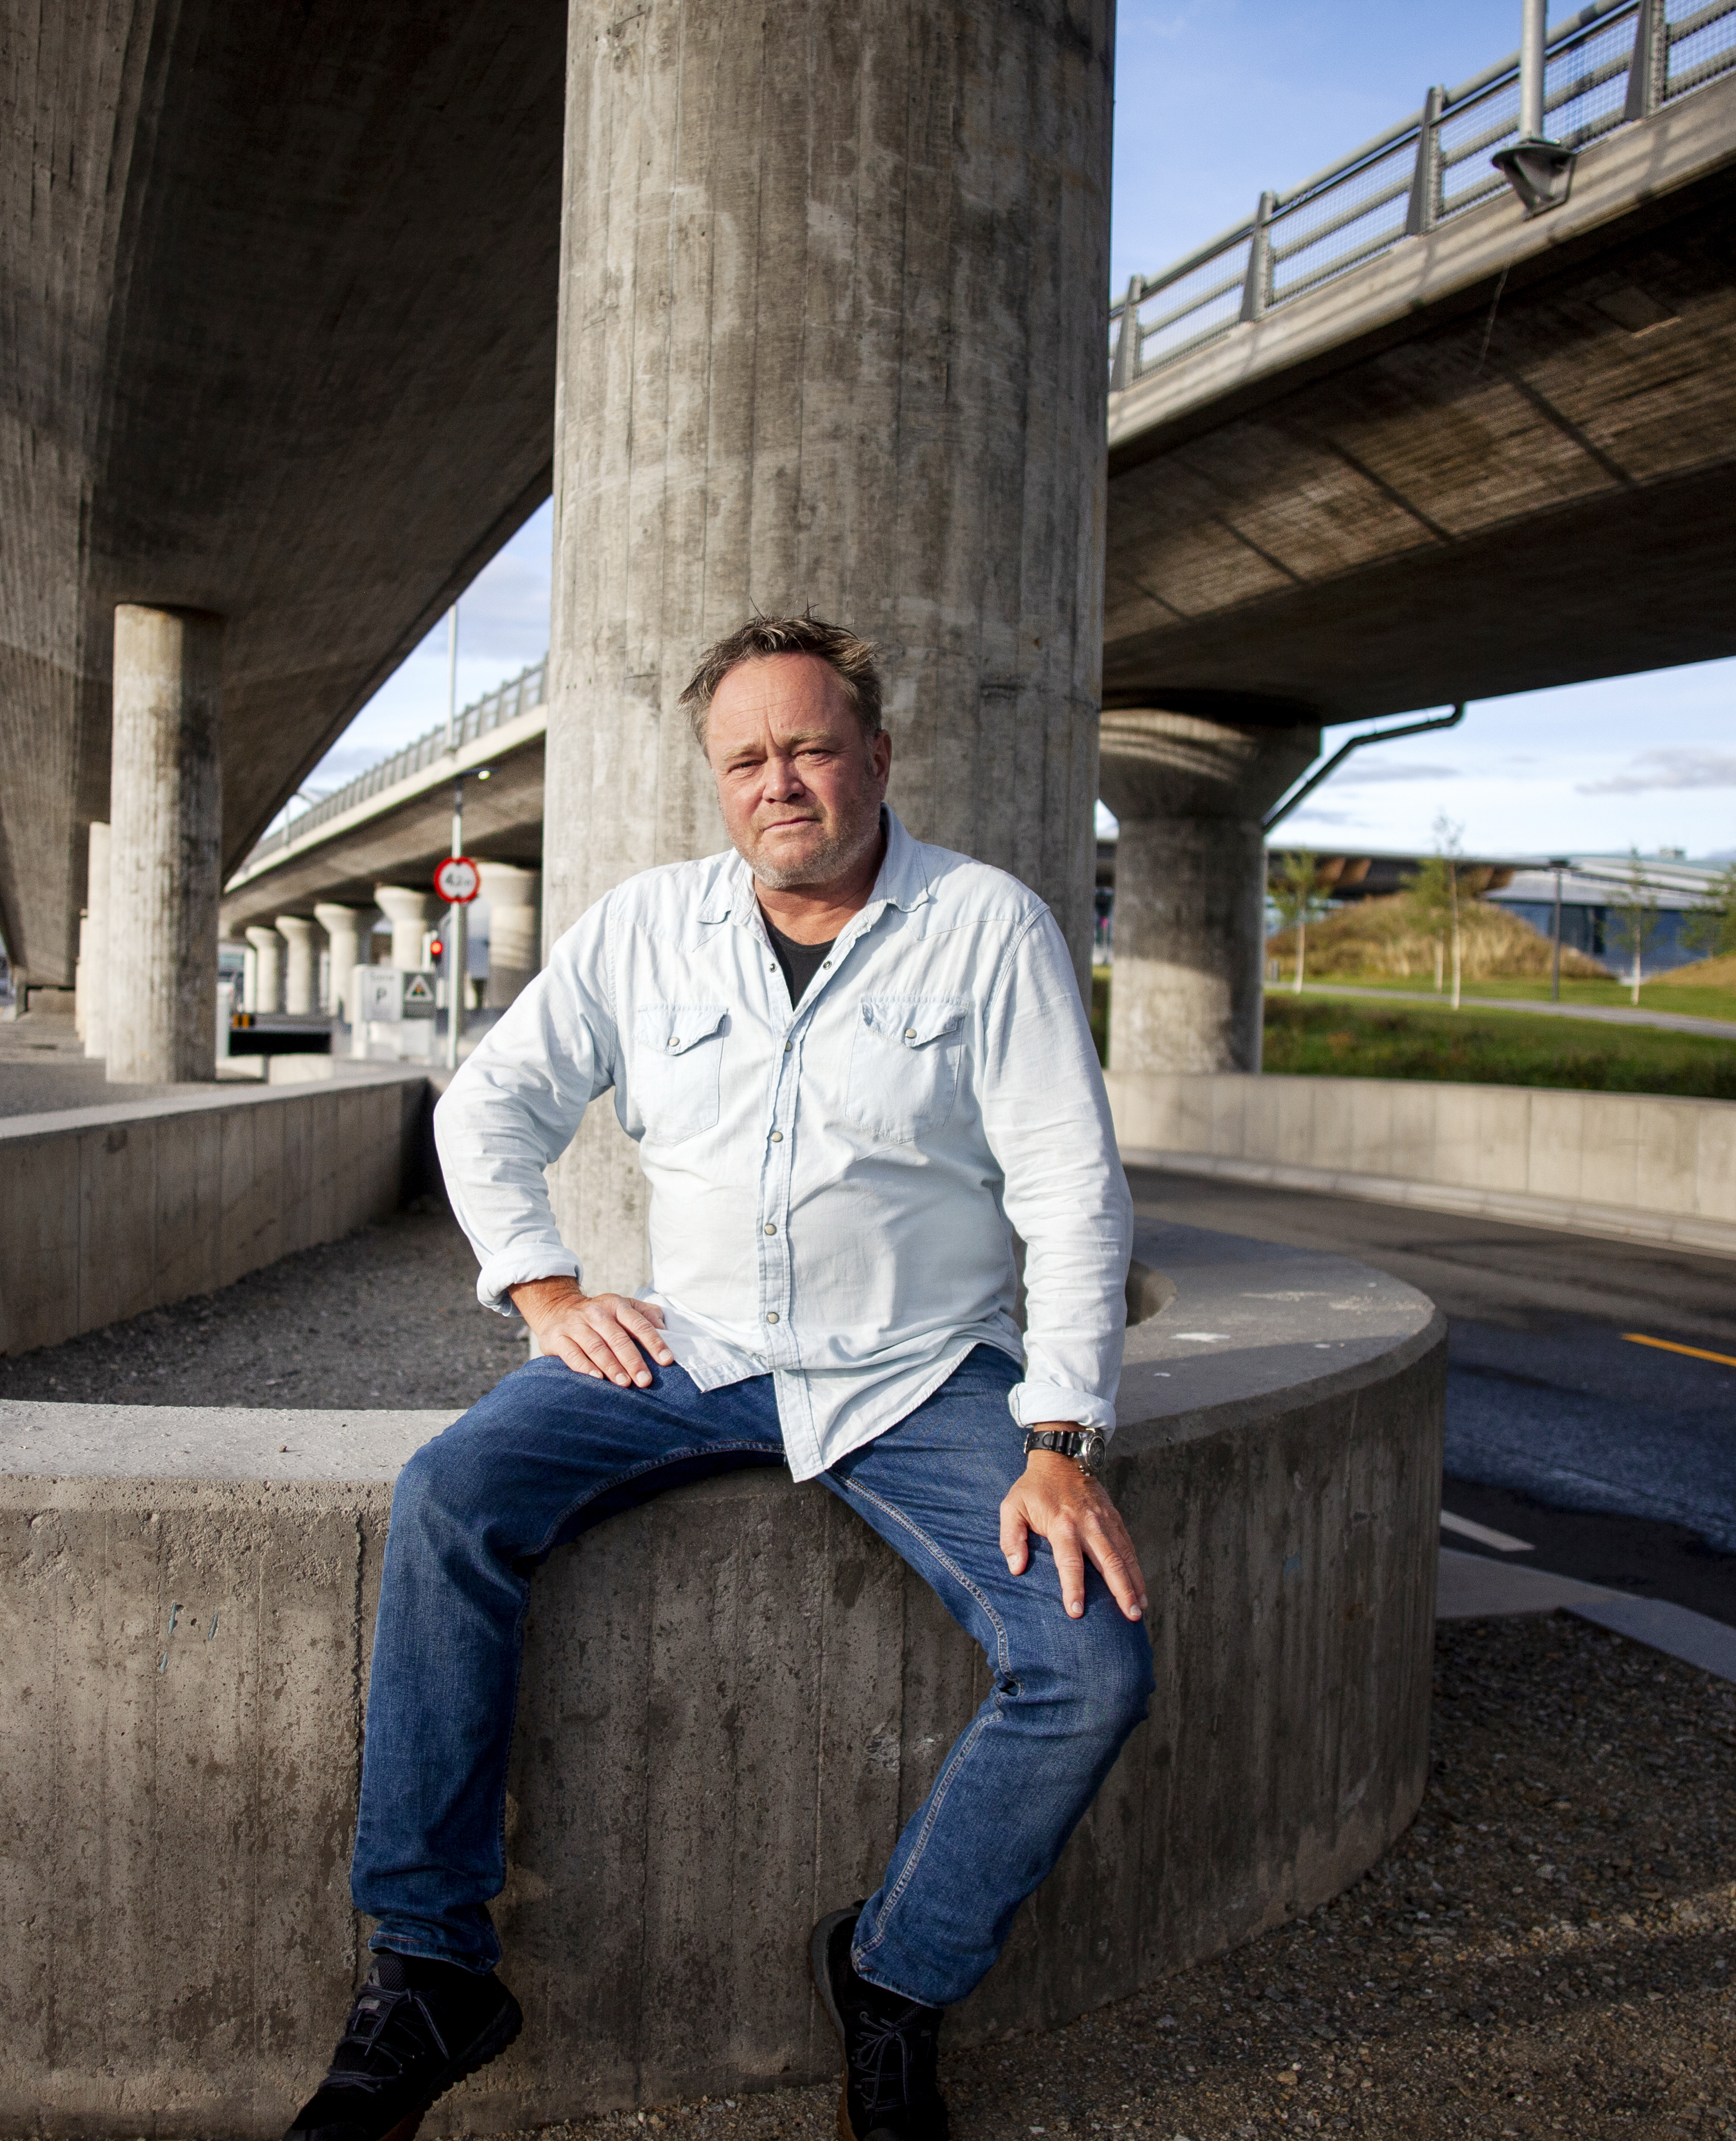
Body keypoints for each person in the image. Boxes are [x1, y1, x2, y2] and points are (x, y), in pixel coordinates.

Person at [287, 615, 1150, 2141]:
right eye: (747, 759)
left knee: (1090, 1667)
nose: (783, 782)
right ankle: (430, 1966)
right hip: (694, 1351)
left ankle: (894, 1975)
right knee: (449, 1496)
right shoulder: (642, 930)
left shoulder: (990, 926)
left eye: (814, 748)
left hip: (916, 1370)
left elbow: (1071, 1188)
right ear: (716, 781)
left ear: (876, 758)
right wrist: (546, 1289)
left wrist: (1062, 1429)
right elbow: (487, 1109)